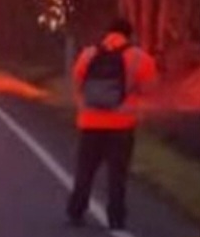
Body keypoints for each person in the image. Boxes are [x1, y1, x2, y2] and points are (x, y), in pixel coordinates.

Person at [66, 18, 157, 230]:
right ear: (130, 34)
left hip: (90, 123)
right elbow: (150, 88)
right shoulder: (139, 57)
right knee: (117, 175)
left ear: (107, 33)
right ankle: (116, 220)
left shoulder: (89, 54)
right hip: (121, 126)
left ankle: (76, 211)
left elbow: (77, 81)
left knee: (85, 171)